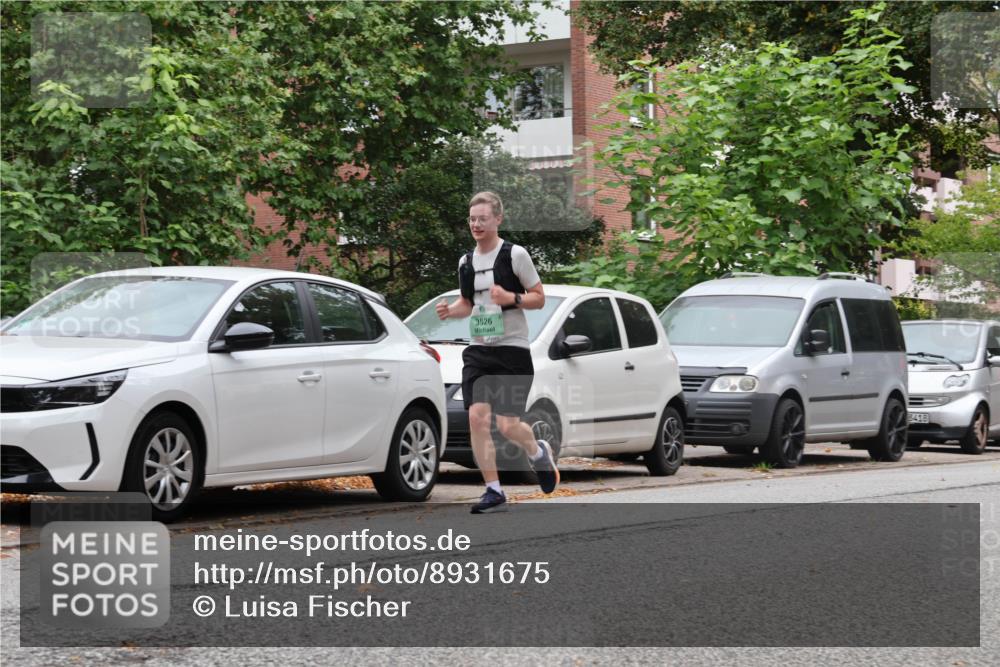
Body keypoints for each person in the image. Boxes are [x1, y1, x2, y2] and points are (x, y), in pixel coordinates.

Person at [436, 191, 559, 513]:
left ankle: (536, 451)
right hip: (479, 350)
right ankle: (493, 490)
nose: (476, 224)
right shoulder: (466, 262)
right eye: (472, 219)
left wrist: (511, 298)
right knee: (477, 418)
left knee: (507, 426)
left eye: (483, 219)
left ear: (497, 219)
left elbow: (539, 298)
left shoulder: (514, 255)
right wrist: (452, 311)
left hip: (512, 350)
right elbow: (468, 304)